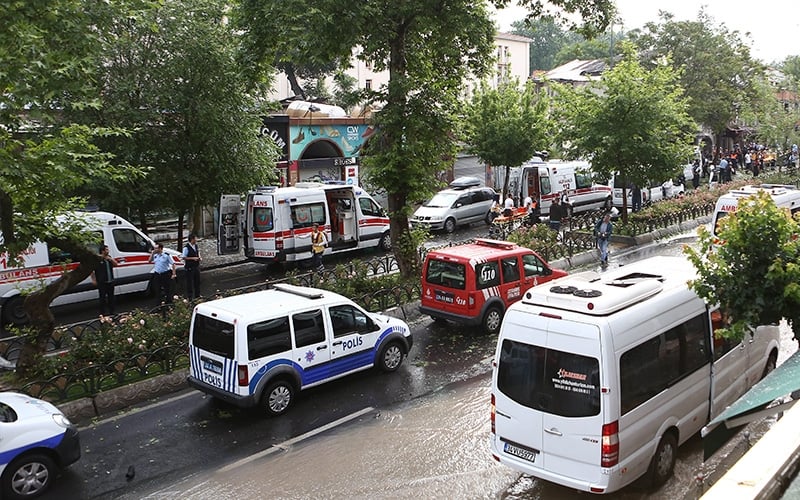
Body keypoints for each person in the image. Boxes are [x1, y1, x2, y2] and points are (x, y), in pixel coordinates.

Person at [91, 245, 118, 315]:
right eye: (106, 250)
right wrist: (94, 280)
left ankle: (112, 312)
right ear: (102, 251)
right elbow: (92, 270)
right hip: (102, 282)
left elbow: (116, 264)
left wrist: (110, 259)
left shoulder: (109, 258)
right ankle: (102, 313)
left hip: (110, 281)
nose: (108, 251)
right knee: (102, 298)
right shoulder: (98, 259)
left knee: (111, 298)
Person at [182, 233, 201, 300]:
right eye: (195, 238)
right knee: (190, 282)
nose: (196, 239)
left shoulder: (195, 246)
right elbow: (184, 257)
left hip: (196, 266)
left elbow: (198, 252)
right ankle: (190, 297)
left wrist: (199, 257)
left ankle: (197, 296)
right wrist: (193, 258)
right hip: (190, 267)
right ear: (192, 239)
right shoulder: (186, 248)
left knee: (197, 281)